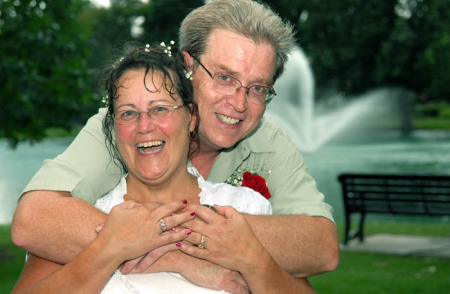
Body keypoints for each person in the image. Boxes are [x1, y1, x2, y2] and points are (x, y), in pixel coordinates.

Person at [12, 0, 339, 290]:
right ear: (188, 66)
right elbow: (36, 219)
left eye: (256, 88)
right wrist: (186, 257)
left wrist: (234, 247)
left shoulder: (268, 143)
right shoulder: (128, 129)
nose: (239, 103)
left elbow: (321, 249)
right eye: (225, 77)